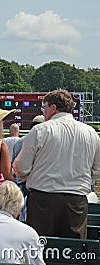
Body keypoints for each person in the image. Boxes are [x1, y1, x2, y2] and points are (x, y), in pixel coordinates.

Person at [13, 89, 100, 239]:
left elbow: (21, 168)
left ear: (53, 108)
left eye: (44, 107)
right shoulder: (91, 133)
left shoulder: (40, 130)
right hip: (76, 201)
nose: (43, 112)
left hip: (42, 201)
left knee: (41, 252)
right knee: (73, 253)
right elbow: (97, 171)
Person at [11, 115, 44, 197]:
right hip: (38, 186)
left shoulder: (19, 142)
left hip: (21, 184)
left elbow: (13, 164)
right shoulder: (46, 143)